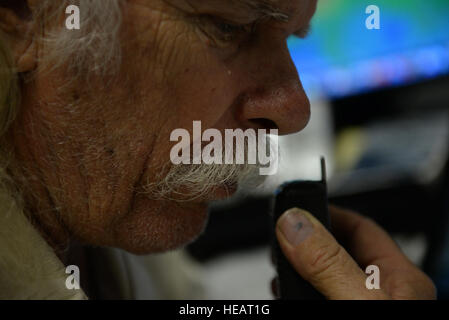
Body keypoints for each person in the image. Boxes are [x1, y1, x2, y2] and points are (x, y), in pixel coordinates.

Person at [0, 0, 435, 299]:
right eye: (228, 26)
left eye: (290, 36)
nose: (294, 110)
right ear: (26, 15)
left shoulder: (108, 211)